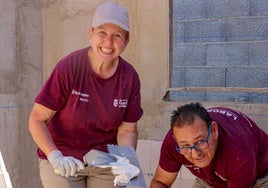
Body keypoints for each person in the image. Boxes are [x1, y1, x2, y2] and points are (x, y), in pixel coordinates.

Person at [28, 2, 143, 188]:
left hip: (105, 160)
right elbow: (37, 119)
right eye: (102, 33)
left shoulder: (129, 77)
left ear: (126, 40)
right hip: (63, 158)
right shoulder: (69, 68)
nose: (108, 42)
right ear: (91, 33)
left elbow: (127, 130)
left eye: (117, 36)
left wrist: (124, 161)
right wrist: (55, 156)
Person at [150, 102, 268, 188]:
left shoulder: (238, 152)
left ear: (214, 131)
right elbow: (161, 182)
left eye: (200, 142)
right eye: (186, 146)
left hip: (261, 177)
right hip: (211, 180)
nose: (195, 154)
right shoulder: (174, 141)